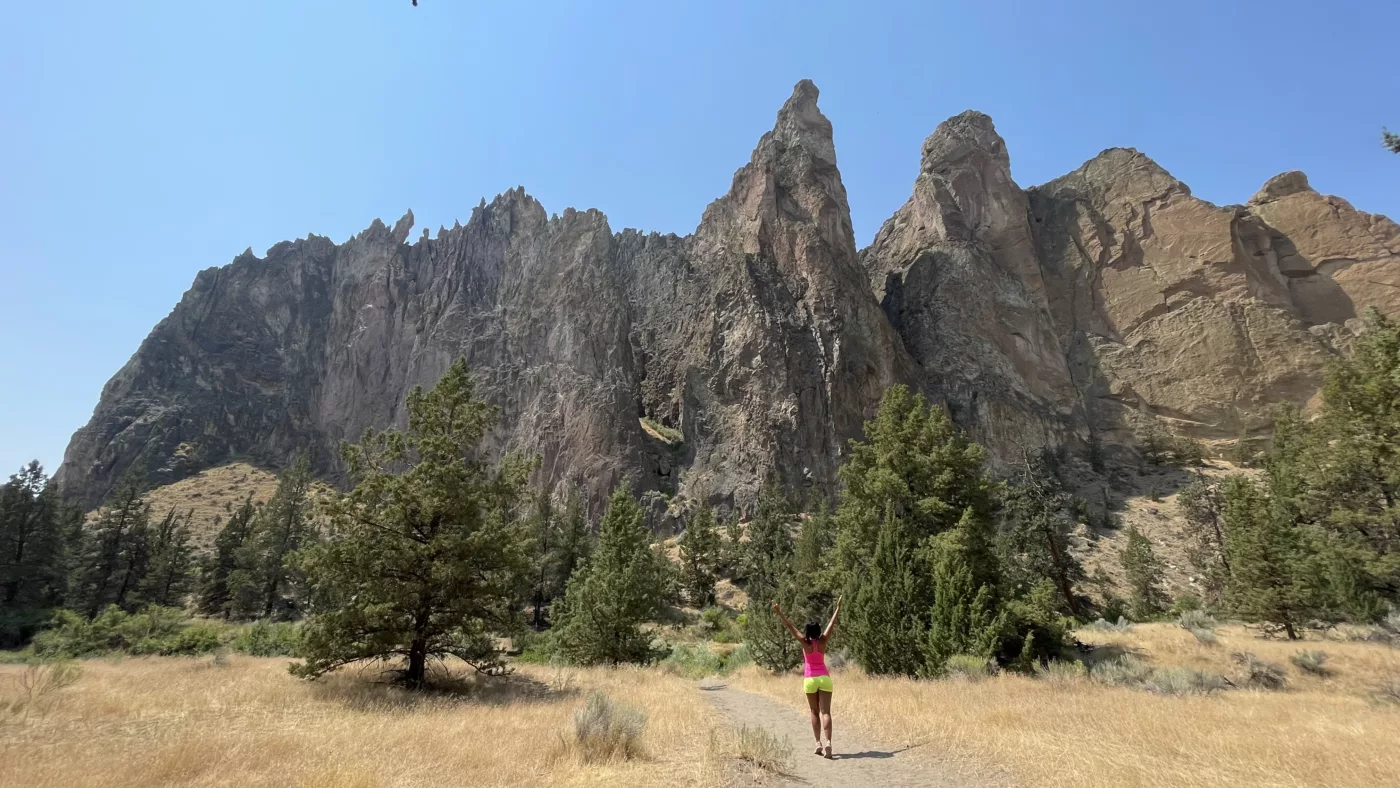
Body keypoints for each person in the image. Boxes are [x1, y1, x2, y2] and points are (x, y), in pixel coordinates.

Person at [772, 595, 841, 759]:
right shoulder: (823, 641)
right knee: (826, 713)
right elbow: (832, 624)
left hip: (810, 679)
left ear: (808, 632)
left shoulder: (804, 642)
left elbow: (790, 627)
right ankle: (829, 743)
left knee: (814, 711)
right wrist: (838, 607)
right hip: (824, 678)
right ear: (818, 631)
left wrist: (779, 612)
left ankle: (818, 743)